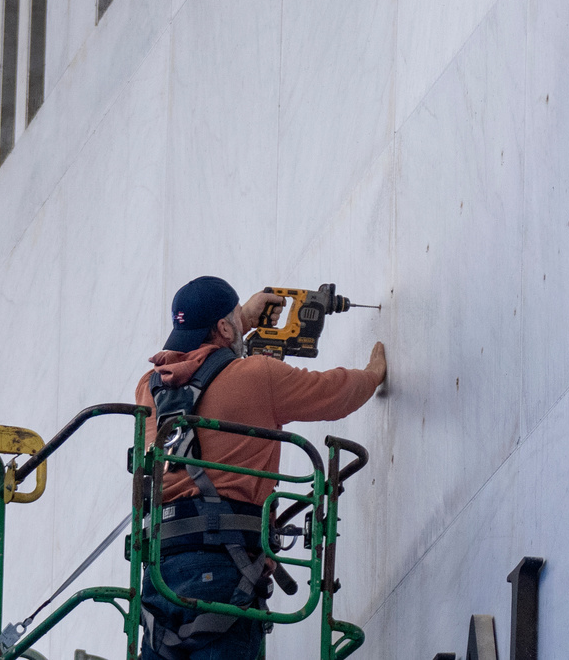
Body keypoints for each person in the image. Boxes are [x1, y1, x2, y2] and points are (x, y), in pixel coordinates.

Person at [134, 276, 386, 660]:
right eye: (234, 318)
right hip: (224, 565)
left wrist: (238, 321)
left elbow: (198, 368)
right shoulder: (257, 375)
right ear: (222, 326)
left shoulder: (149, 387)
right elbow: (333, 393)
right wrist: (373, 374)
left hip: (159, 571)